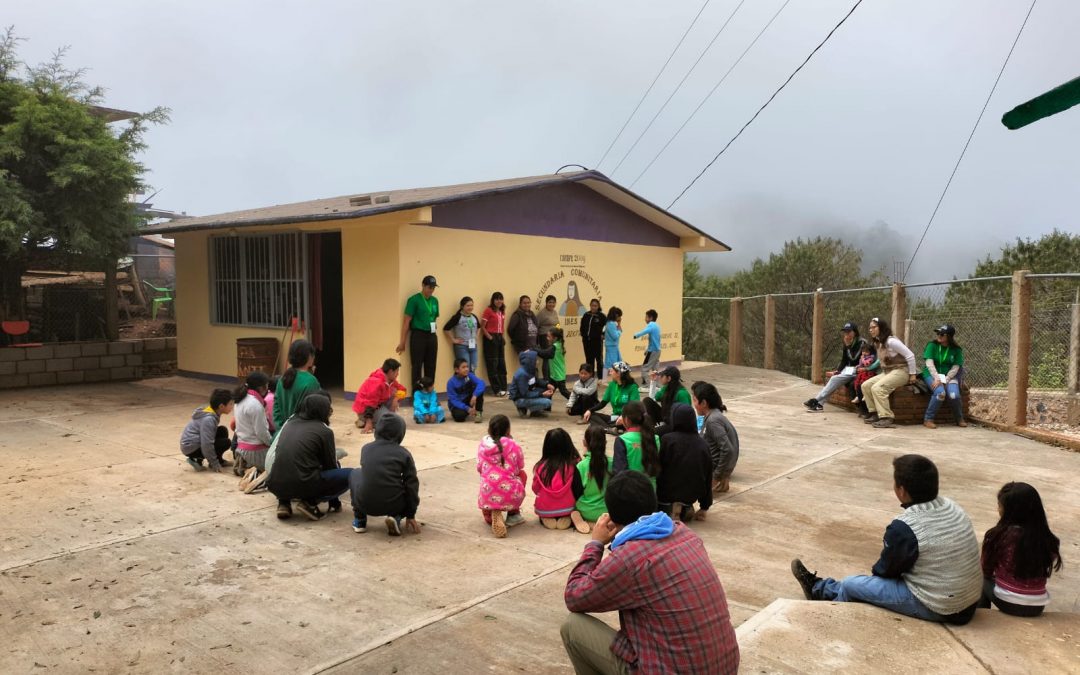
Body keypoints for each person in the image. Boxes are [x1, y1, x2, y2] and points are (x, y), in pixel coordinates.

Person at [561, 471, 740, 675]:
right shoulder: (684, 534)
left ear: (610, 514)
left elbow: (575, 596)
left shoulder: (630, 558)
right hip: (725, 667)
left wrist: (595, 544)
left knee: (573, 627)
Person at [791, 454, 983, 624]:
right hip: (968, 600)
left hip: (940, 607)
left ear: (901, 490)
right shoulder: (952, 507)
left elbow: (885, 572)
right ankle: (821, 588)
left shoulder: (906, 527)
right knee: (864, 586)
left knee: (852, 584)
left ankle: (822, 596)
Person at [266, 391, 352, 521]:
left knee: (290, 468)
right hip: (303, 484)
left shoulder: (289, 424)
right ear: (322, 411)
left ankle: (283, 503)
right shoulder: (324, 431)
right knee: (350, 474)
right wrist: (334, 502)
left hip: (274, 483)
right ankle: (310, 503)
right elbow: (330, 465)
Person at [979, 482, 1062, 617]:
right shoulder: (1048, 539)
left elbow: (985, 569)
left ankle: (982, 614)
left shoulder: (998, 535)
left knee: (978, 578)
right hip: (1037, 606)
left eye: (1000, 506)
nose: (998, 509)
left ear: (1009, 511)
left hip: (1008, 603)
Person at [348, 413, 422, 536]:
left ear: (377, 431)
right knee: (405, 485)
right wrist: (410, 514)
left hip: (364, 503)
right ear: (400, 433)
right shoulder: (404, 454)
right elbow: (412, 486)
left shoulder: (366, 449)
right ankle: (395, 517)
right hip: (394, 504)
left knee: (354, 473)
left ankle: (359, 520)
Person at [657, 403, 713, 523]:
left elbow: (658, 468)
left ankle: (672, 508)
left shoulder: (667, 440)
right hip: (691, 495)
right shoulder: (703, 444)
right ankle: (684, 507)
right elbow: (708, 477)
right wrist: (704, 506)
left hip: (666, 495)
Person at [861, 317, 919, 428]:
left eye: (874, 327)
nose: (871, 330)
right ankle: (874, 414)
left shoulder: (891, 341)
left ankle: (886, 417)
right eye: (870, 328)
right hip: (889, 371)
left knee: (878, 388)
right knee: (866, 385)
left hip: (902, 371)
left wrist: (912, 374)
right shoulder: (879, 342)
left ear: (881, 328)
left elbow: (910, 355)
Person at [477, 414, 527, 538]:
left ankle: (489, 515)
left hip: (488, 494)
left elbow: (479, 468)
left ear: (489, 429)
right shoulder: (513, 445)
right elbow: (520, 466)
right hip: (509, 494)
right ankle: (513, 514)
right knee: (522, 475)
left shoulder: (483, 445)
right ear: (508, 430)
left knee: (486, 478)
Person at [803, 322, 867, 412]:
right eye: (845, 332)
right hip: (849, 370)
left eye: (849, 332)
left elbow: (854, 358)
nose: (846, 334)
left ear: (854, 332)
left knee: (834, 380)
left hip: (859, 370)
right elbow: (844, 360)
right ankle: (819, 405)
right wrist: (838, 370)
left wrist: (848, 346)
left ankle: (816, 400)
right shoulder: (847, 342)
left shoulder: (861, 342)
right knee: (834, 378)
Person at [533, 427, 588, 531]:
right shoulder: (572, 466)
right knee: (569, 507)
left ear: (546, 447)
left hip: (545, 509)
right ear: (568, 445)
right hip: (568, 508)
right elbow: (578, 490)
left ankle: (547, 518)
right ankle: (565, 517)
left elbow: (535, 489)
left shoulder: (540, 467)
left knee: (546, 507)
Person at [692, 381, 739, 494]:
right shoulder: (714, 416)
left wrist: (717, 477)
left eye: (694, 400)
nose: (693, 404)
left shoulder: (713, 421)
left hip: (712, 470)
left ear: (703, 403)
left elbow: (728, 450)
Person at [396, 275, 440, 392]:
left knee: (431, 365)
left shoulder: (435, 301)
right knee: (417, 365)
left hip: (431, 335)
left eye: (433, 287)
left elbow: (434, 318)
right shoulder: (414, 300)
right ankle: (417, 394)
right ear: (423, 286)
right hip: (418, 335)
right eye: (429, 287)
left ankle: (429, 393)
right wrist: (402, 342)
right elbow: (406, 321)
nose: (431, 290)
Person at [921, 324, 968, 428]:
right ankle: (928, 419)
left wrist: (945, 379)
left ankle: (959, 418)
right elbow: (929, 364)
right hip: (932, 374)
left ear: (949, 337)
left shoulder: (956, 349)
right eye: (938, 333)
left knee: (953, 395)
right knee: (940, 393)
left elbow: (956, 367)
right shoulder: (932, 345)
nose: (939, 335)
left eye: (942, 334)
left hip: (949, 376)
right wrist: (937, 378)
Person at [180, 388, 234, 472]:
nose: (232, 407)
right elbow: (207, 443)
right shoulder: (208, 419)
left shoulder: (212, 411)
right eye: (230, 404)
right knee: (226, 442)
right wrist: (214, 464)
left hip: (192, 443)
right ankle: (195, 458)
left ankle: (218, 460)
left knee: (222, 430)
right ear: (221, 406)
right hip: (191, 448)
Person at [273, 339, 321, 433]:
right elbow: (316, 412)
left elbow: (276, 409)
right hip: (302, 434)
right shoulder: (311, 381)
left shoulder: (282, 379)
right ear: (309, 357)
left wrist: (281, 430)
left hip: (283, 433)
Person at [233, 370, 273, 479]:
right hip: (254, 451)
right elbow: (261, 433)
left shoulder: (240, 399)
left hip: (240, 447)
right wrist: (272, 444)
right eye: (267, 386)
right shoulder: (255, 405)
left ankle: (246, 464)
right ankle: (255, 469)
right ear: (261, 388)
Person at [611, 401, 661, 487]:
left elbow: (619, 473)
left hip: (631, 492)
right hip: (651, 492)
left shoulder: (622, 440)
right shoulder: (656, 438)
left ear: (626, 420)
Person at [351, 358, 406, 433]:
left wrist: (396, 399)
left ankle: (374, 420)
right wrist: (369, 423)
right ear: (390, 372)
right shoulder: (376, 382)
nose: (398, 374)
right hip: (366, 410)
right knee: (392, 423)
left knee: (396, 394)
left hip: (379, 406)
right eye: (397, 371)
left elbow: (403, 390)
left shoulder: (391, 380)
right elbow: (369, 404)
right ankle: (365, 420)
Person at [574, 425, 612, 529]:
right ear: (605, 443)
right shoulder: (612, 463)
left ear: (584, 442)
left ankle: (587, 522)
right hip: (607, 511)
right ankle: (601, 524)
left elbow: (576, 491)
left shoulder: (581, 466)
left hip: (585, 510)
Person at [583, 361, 639, 429]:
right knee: (591, 416)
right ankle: (609, 429)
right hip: (614, 417)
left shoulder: (632, 387)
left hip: (627, 418)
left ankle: (607, 427)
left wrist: (624, 416)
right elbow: (603, 403)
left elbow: (634, 407)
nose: (610, 373)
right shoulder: (612, 385)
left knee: (625, 423)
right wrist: (590, 410)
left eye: (612, 371)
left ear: (618, 373)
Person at [643, 365, 691, 434]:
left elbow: (687, 416)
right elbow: (652, 398)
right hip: (666, 419)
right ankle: (657, 426)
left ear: (669, 378)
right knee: (647, 401)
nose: (660, 377)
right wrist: (653, 382)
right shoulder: (665, 388)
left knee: (653, 433)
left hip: (677, 425)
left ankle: (659, 430)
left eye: (662, 376)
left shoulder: (682, 393)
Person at [508, 350, 555, 417]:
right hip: (520, 398)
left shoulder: (531, 369)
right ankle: (523, 407)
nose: (538, 362)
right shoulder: (522, 374)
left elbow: (536, 381)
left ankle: (534, 411)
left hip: (528, 393)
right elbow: (524, 393)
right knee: (547, 402)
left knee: (546, 390)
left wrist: (547, 385)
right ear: (530, 361)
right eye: (536, 360)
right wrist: (541, 394)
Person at [480, 292, 509, 396]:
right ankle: (496, 390)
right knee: (493, 364)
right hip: (491, 338)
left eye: (501, 299)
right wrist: (490, 337)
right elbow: (482, 326)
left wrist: (502, 337)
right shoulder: (488, 311)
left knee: (502, 363)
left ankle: (504, 388)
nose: (499, 301)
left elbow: (502, 326)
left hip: (500, 337)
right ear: (493, 300)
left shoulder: (502, 311)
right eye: (497, 299)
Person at [443, 296, 480, 373]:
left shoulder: (474, 317)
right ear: (462, 306)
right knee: (464, 369)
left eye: (472, 305)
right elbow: (446, 328)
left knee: (473, 368)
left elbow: (479, 327)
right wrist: (453, 340)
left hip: (473, 347)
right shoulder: (457, 317)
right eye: (468, 305)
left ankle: (472, 384)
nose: (470, 307)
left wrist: (476, 336)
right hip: (462, 347)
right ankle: (464, 385)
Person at [447, 357, 486, 423]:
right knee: (459, 417)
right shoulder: (451, 382)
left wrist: (475, 395)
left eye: (467, 367)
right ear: (456, 370)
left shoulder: (469, 375)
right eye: (463, 367)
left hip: (468, 400)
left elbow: (481, 383)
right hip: (457, 404)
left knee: (479, 390)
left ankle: (478, 414)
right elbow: (453, 400)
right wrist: (467, 408)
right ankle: (469, 411)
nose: (466, 369)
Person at [538, 326, 571, 399]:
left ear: (555, 338)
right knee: (550, 390)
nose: (547, 338)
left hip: (558, 375)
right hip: (554, 375)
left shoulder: (555, 347)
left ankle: (577, 401)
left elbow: (544, 354)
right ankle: (546, 407)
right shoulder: (559, 344)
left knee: (563, 391)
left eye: (549, 337)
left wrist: (534, 349)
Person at [633, 309, 662, 389]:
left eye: (646, 317)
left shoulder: (651, 325)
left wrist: (636, 335)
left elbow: (645, 331)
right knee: (655, 369)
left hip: (653, 351)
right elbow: (654, 340)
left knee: (644, 368)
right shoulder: (657, 326)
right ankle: (656, 385)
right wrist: (647, 350)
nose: (645, 319)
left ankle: (646, 385)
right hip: (657, 351)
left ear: (651, 318)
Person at [579, 299, 607, 380]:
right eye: (592, 305)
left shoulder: (601, 316)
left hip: (597, 341)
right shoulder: (586, 315)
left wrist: (603, 334)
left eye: (595, 306)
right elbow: (582, 326)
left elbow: (607, 327)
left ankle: (601, 378)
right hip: (587, 341)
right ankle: (590, 377)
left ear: (598, 306)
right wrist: (583, 333)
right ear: (590, 305)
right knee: (589, 360)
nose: (593, 307)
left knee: (599, 360)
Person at [537, 295, 561, 380]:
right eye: (550, 302)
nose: (552, 304)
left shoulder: (554, 312)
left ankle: (552, 378)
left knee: (553, 358)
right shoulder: (542, 313)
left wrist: (558, 332)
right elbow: (537, 325)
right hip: (545, 337)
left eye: (553, 302)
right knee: (546, 358)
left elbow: (557, 323)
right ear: (546, 303)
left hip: (554, 338)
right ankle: (546, 379)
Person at [851, 341, 879, 405]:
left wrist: (862, 359)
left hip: (868, 373)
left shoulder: (871, 357)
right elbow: (861, 364)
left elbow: (866, 364)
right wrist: (857, 366)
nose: (864, 353)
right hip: (862, 373)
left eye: (866, 352)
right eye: (863, 351)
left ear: (870, 352)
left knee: (863, 383)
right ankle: (858, 396)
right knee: (856, 382)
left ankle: (865, 395)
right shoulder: (863, 357)